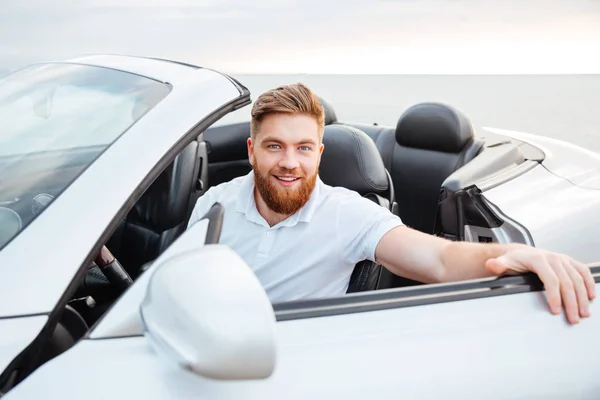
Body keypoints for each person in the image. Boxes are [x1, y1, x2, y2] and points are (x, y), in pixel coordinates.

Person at [187, 82, 595, 324]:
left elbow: (440, 259)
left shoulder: (347, 213)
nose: (290, 162)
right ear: (252, 150)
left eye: (304, 148)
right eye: (274, 146)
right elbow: (183, 284)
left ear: (319, 154)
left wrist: (519, 253)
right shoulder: (214, 203)